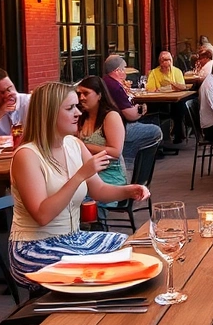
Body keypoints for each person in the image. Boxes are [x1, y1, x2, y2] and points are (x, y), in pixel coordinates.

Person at [8, 82, 149, 288]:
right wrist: (80, 175)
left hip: (73, 239)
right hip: (33, 247)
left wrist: (130, 190)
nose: (78, 113)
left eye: (77, 106)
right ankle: (86, 316)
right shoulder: (27, 156)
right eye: (70, 108)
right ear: (48, 114)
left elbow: (99, 191)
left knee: (130, 248)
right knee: (100, 270)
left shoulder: (74, 145)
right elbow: (42, 215)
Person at [76, 76, 127, 202]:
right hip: (88, 173)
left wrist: (82, 146)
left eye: (86, 93)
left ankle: (95, 221)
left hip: (110, 174)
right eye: (79, 94)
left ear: (99, 95)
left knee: (82, 196)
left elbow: (115, 152)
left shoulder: (110, 116)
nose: (81, 98)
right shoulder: (81, 117)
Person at [102, 55, 164, 157]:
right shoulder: (115, 87)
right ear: (117, 71)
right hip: (122, 126)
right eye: (124, 69)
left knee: (153, 117)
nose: (125, 72)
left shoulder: (106, 81)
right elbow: (130, 115)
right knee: (156, 130)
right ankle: (132, 155)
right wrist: (141, 109)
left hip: (111, 125)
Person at [146, 51, 187, 144]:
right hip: (159, 101)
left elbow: (183, 87)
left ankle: (178, 135)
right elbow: (150, 89)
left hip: (174, 101)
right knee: (152, 108)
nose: (167, 62)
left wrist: (171, 83)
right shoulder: (154, 73)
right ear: (160, 62)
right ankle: (160, 140)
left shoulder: (177, 71)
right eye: (164, 60)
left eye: (169, 60)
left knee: (179, 107)